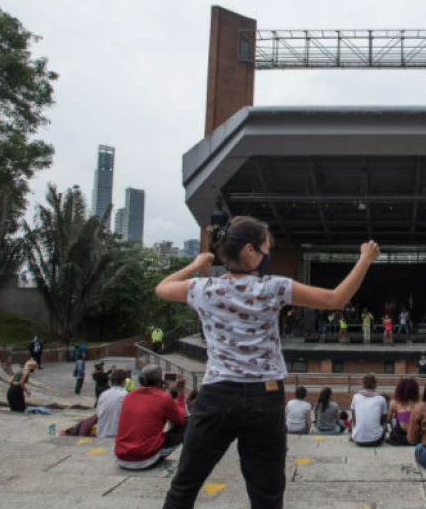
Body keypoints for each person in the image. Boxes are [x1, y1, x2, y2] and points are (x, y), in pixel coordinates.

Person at [154, 216, 380, 509]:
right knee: (267, 497)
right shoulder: (274, 287)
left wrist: (196, 266)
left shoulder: (201, 288)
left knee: (184, 487)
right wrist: (364, 259)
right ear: (250, 250)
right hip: (265, 395)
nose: (267, 255)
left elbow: (162, 287)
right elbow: (336, 299)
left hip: (216, 397)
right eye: (265, 249)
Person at [115, 365, 187, 469]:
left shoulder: (128, 396)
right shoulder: (164, 397)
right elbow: (180, 421)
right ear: (159, 380)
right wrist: (180, 394)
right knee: (186, 423)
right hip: (146, 459)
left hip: (121, 457)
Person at [350, 373, 387, 447]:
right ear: (376, 385)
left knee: (354, 421)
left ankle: (354, 434)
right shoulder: (381, 399)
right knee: (383, 423)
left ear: (363, 385)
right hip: (376, 440)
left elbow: (354, 418)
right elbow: (384, 418)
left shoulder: (355, 397)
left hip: (358, 439)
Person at [387, 378, 419, 446]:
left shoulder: (394, 402)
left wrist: (396, 415)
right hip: (414, 439)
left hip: (398, 439)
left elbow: (388, 419)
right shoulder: (418, 403)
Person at [97, 368, 129, 438]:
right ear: (123, 381)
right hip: (117, 434)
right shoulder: (126, 396)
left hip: (101, 433)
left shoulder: (103, 395)